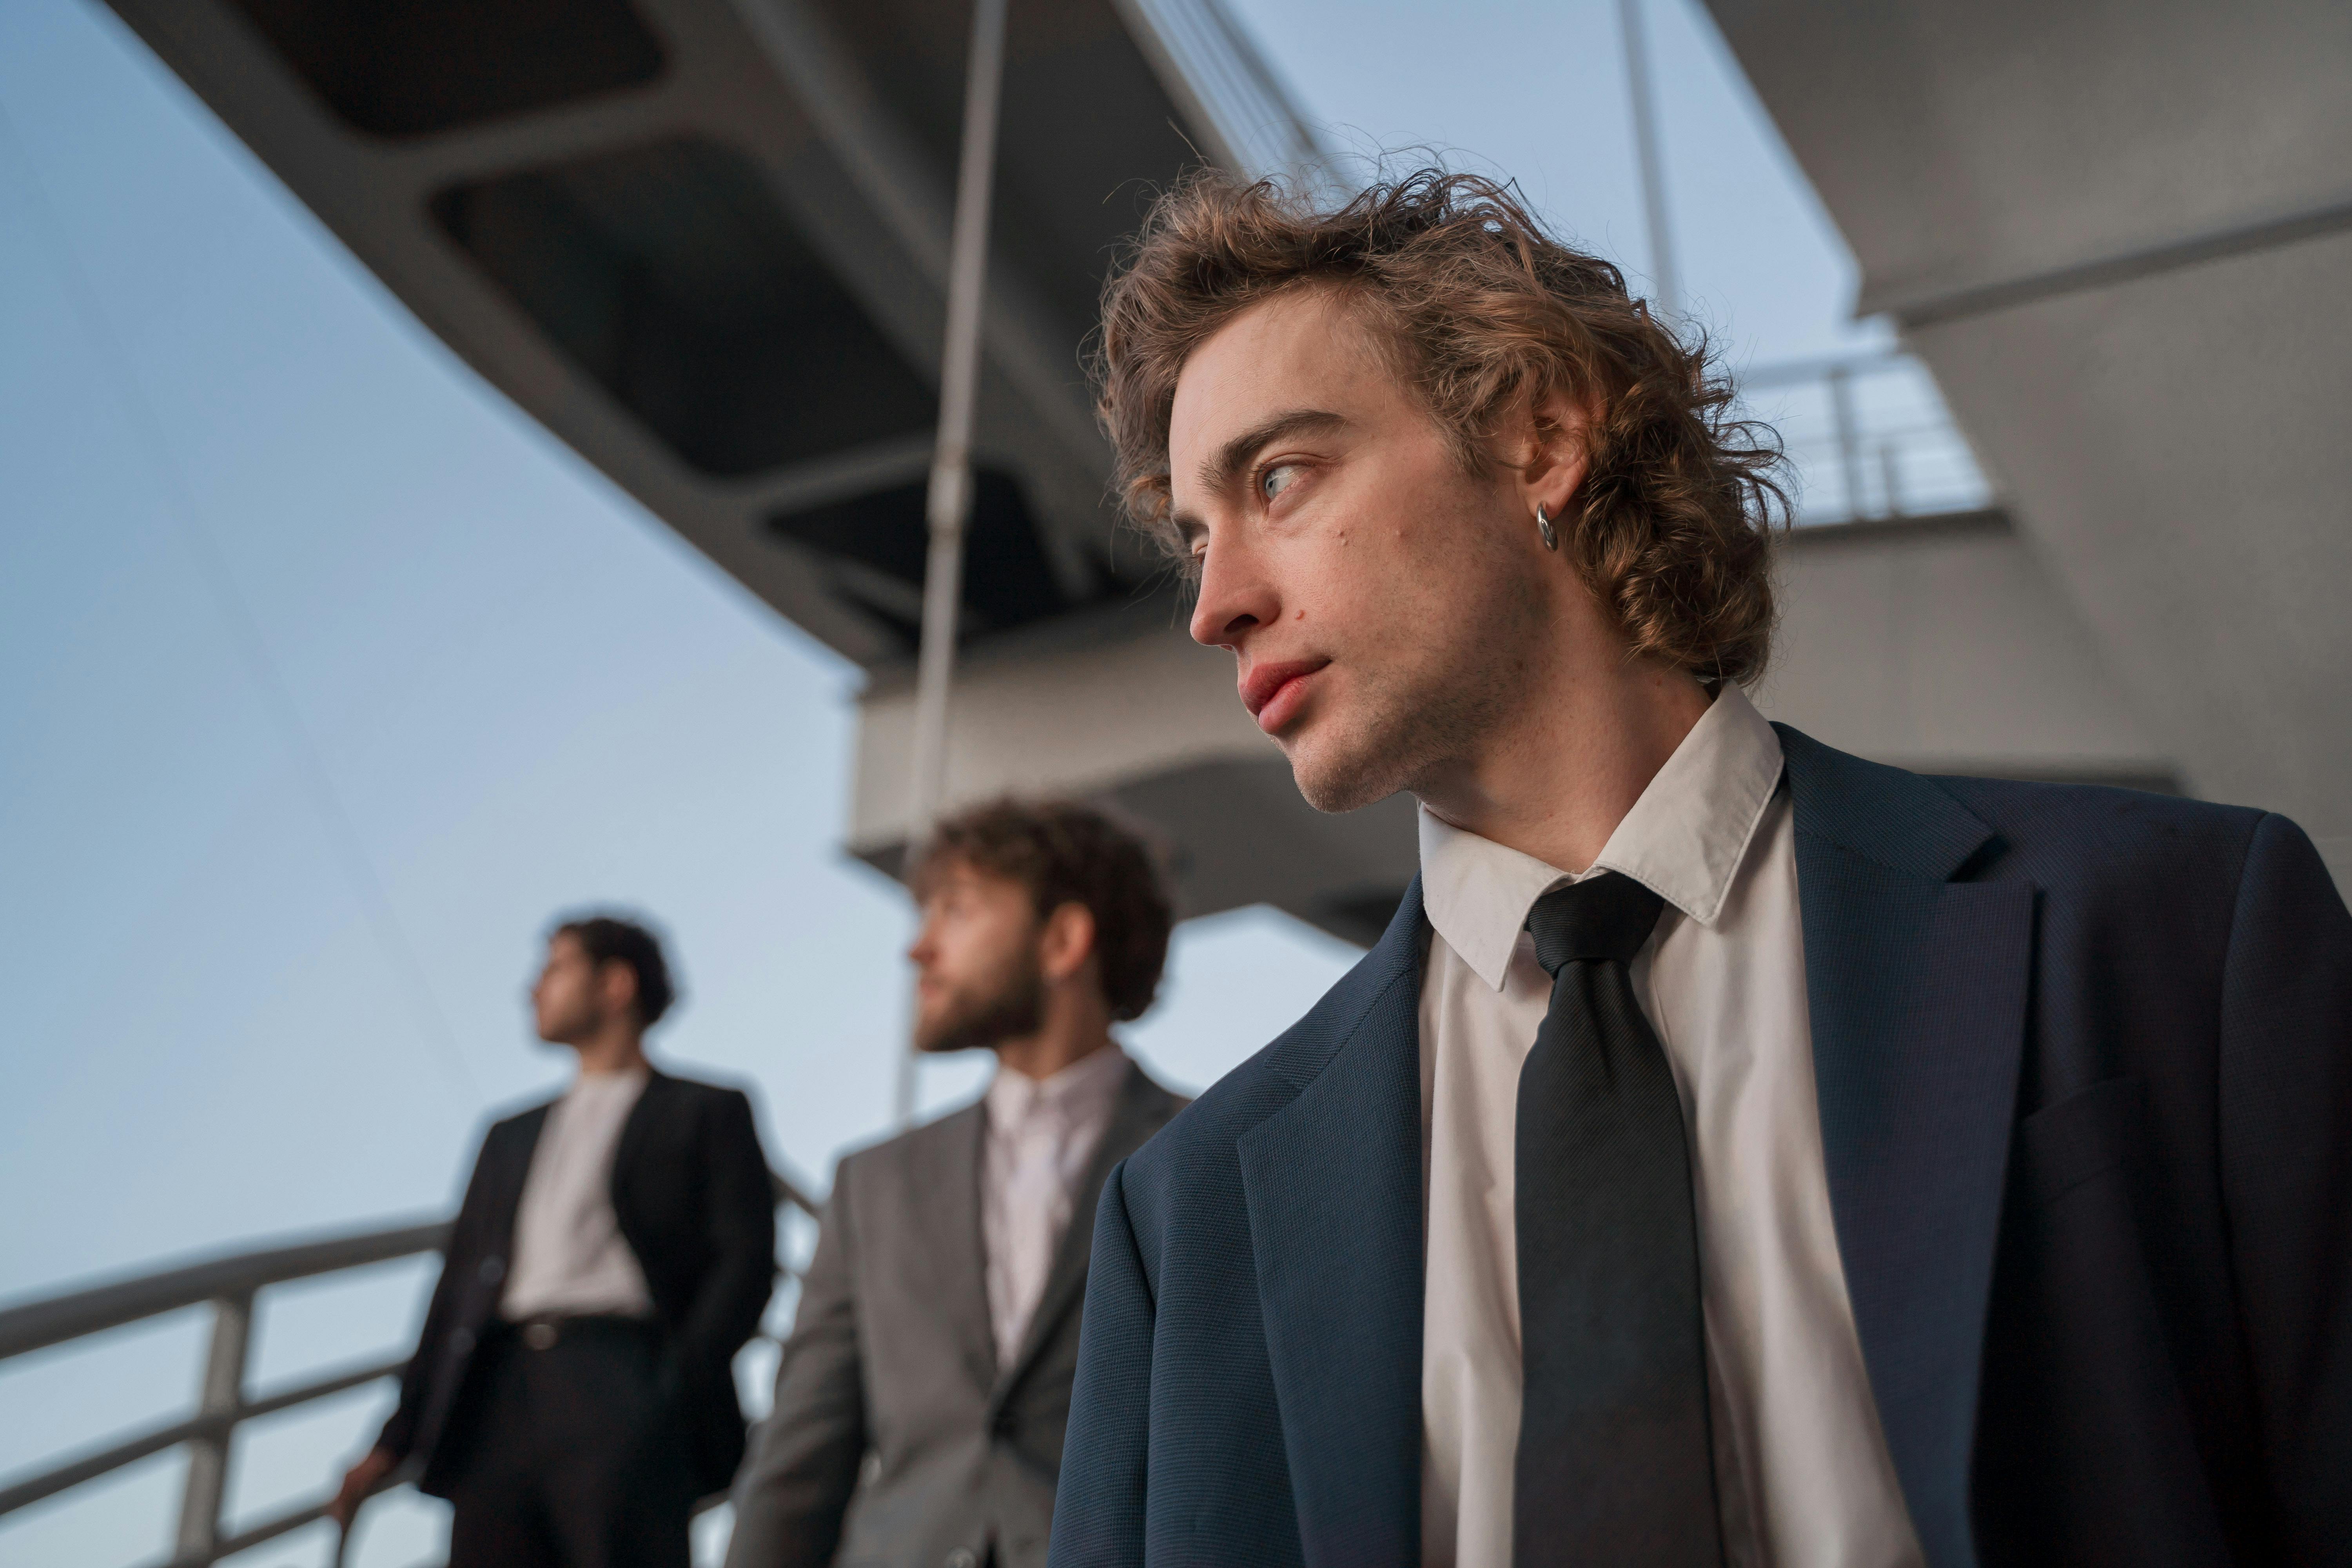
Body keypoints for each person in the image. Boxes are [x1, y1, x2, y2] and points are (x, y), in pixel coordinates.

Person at [1046, 170, 2352, 1568]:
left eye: (1280, 480)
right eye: (1195, 537)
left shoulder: (2184, 933)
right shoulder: (1182, 1224)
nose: (1212, 604)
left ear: (1541, 435)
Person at [726, 799, 1187, 1568]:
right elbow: (798, 1460)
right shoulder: (871, 1185)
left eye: (958, 910)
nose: (919, 948)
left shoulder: (1209, 1155)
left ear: (1064, 939)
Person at [330, 914, 777, 1568]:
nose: (533, 989)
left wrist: (676, 1382)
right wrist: (394, 1440)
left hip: (622, 1377)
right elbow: (455, 1290)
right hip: (497, 1395)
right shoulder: (508, 1135)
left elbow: (746, 1261)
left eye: (556, 968)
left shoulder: (707, 1109)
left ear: (616, 984)